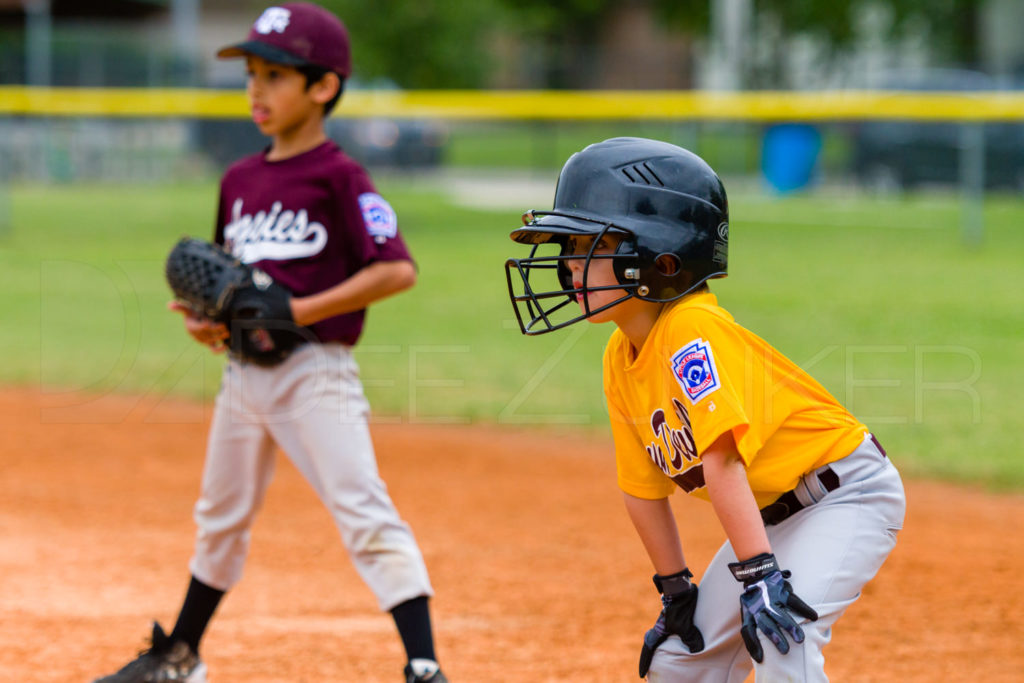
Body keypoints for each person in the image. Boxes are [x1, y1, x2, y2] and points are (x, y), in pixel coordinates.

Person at [93, 4, 447, 682]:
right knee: (219, 515)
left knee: (362, 507)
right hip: (243, 375)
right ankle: (181, 656)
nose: (256, 89)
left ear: (323, 86)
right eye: (251, 74)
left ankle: (424, 663)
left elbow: (396, 269)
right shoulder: (239, 181)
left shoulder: (339, 176)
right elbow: (234, 289)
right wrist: (210, 326)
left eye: (275, 75)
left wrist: (302, 308)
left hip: (316, 371)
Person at [504, 137, 905, 682]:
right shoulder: (621, 355)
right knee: (679, 660)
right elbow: (640, 489)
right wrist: (675, 589)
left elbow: (722, 461)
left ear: (658, 256)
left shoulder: (693, 328)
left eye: (586, 247)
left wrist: (760, 574)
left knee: (780, 630)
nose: (567, 267)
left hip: (847, 494)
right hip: (772, 516)